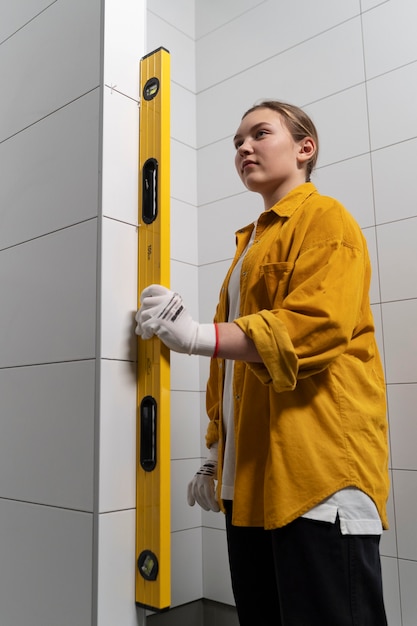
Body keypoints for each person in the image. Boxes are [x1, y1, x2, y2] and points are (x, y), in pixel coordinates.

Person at [135, 100, 389, 625]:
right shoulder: (251, 242)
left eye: (259, 133)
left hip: (316, 481)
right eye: (236, 142)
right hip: (249, 486)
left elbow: (316, 326)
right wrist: (216, 454)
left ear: (304, 148)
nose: (243, 147)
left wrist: (197, 334)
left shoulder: (326, 219)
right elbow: (229, 376)